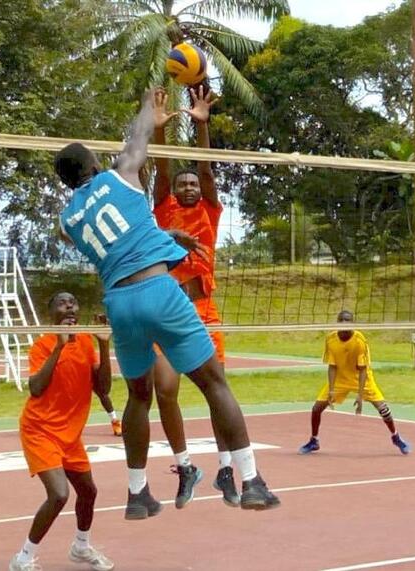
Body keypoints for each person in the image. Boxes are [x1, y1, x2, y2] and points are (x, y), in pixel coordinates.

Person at [55, 88, 279, 520]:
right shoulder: (119, 175)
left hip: (119, 304)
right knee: (214, 383)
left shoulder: (68, 220)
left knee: (139, 396)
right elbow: (137, 140)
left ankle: (137, 493)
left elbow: (103, 233)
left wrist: (164, 236)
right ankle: (251, 481)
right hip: (158, 290)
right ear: (95, 165)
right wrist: (149, 109)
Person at [150, 86, 239, 507]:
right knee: (164, 388)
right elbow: (161, 169)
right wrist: (160, 129)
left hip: (204, 310)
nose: (188, 186)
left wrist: (202, 126)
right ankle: (185, 466)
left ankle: (226, 468)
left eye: (192, 183)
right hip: (168, 311)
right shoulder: (163, 210)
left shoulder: (209, 210)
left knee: (217, 390)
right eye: (182, 183)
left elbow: (206, 170)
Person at [10, 292, 114, 571]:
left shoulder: (86, 343)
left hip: (70, 434)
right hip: (39, 429)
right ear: (51, 314)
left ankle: (81, 547)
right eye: (62, 303)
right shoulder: (42, 345)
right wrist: (59, 346)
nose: (69, 305)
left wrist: (104, 345)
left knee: (88, 491)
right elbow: (36, 388)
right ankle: (23, 558)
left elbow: (103, 388)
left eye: (73, 302)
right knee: (59, 494)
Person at [298, 310, 411, 455]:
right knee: (316, 408)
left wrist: (360, 394)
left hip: (361, 379)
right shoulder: (331, 339)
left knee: (383, 409)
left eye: (348, 321)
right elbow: (332, 366)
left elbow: (363, 369)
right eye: (342, 320)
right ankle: (314, 440)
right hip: (340, 379)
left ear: (352, 324)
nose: (344, 324)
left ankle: (395, 436)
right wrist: (331, 390)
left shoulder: (359, 341)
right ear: (337, 323)